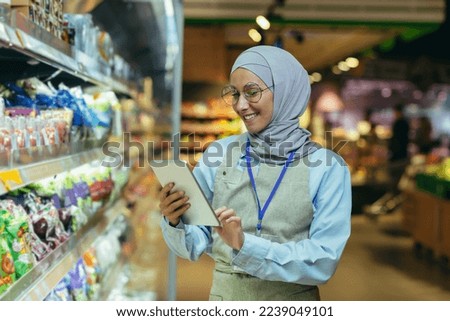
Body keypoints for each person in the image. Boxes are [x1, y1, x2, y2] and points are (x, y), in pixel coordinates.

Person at [158, 45, 352, 301]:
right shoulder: (219, 154)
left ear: (285, 92)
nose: (240, 106)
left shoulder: (328, 168)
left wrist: (245, 245)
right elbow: (196, 242)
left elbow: (323, 260)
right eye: (235, 94)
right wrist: (175, 221)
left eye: (252, 92)